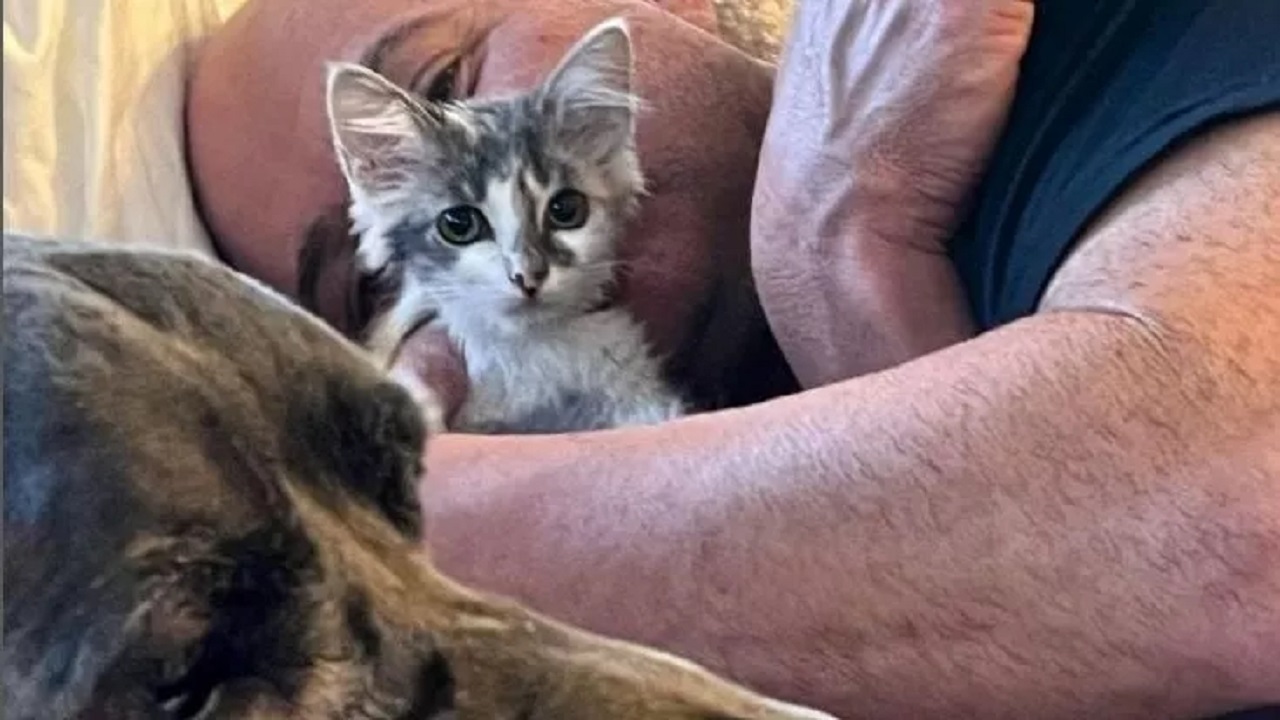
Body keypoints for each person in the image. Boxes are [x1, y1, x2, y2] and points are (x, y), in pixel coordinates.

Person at [23, 0, 1280, 716]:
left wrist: (328, 514)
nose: (502, 230)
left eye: (457, 78)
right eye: (375, 276)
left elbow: (1226, 511)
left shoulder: (1049, 34)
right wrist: (848, 276)